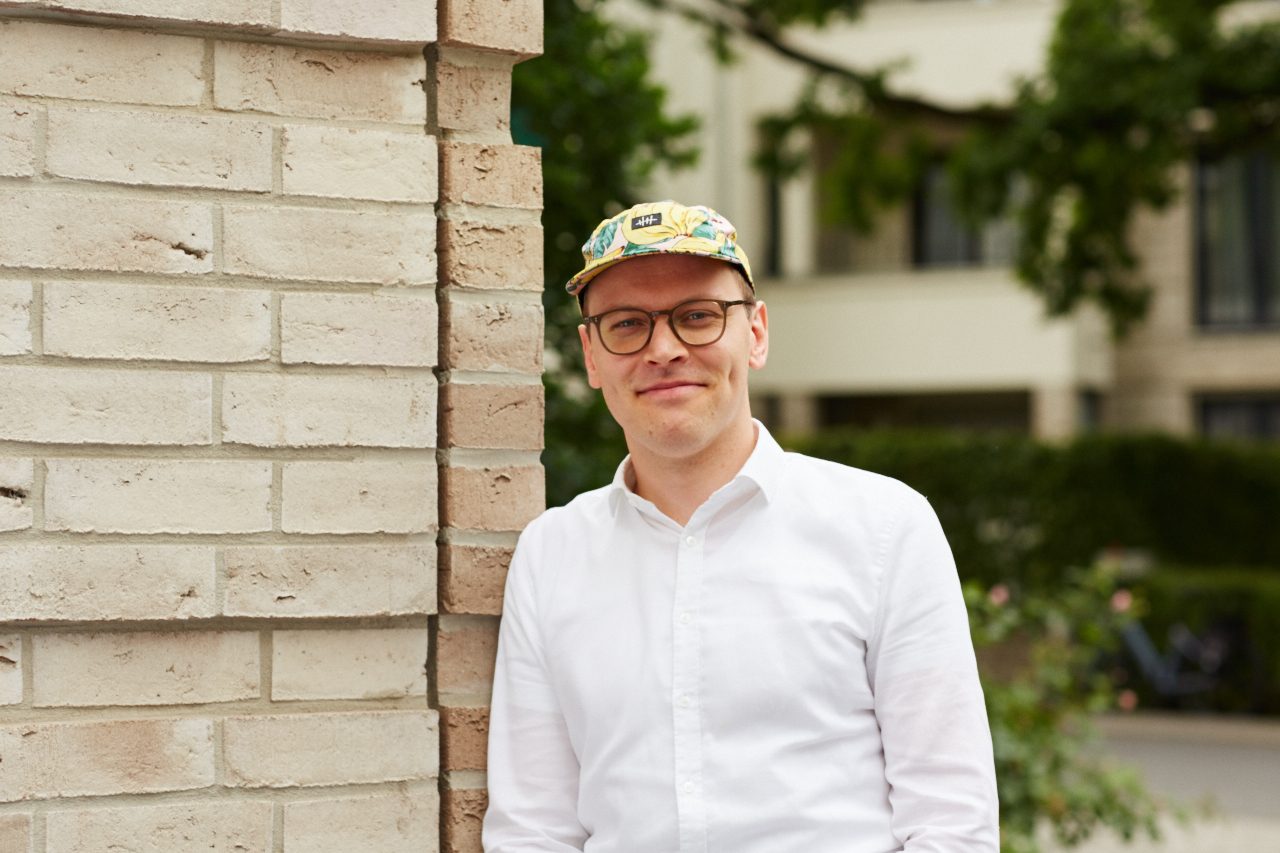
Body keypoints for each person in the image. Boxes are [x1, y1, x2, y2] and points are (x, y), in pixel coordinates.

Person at [483, 200, 999, 852]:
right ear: (591, 355)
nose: (664, 349)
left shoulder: (885, 529)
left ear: (755, 332)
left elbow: (952, 824)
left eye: (698, 316)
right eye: (626, 324)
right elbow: (533, 829)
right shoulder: (551, 554)